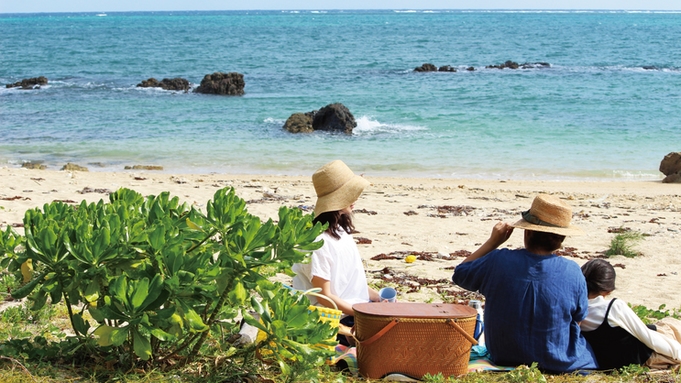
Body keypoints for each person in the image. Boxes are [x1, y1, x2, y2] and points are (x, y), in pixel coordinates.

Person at [452, 194, 598, 373]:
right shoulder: (572, 271)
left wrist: (493, 242)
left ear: (527, 231)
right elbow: (578, 318)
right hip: (557, 360)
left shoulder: (498, 260)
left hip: (503, 355)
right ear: (560, 240)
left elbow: (460, 274)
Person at [292, 160, 380, 340]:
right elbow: (325, 297)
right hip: (333, 320)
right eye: (350, 193)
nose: (355, 198)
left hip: (353, 310)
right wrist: (364, 314)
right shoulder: (318, 243)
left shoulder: (339, 231)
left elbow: (348, 282)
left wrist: (377, 299)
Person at [580, 259, 681, 370]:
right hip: (643, 359)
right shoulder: (613, 307)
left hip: (608, 362)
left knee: (660, 328)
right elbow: (649, 338)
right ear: (608, 290)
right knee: (672, 327)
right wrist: (678, 353)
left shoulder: (574, 309)